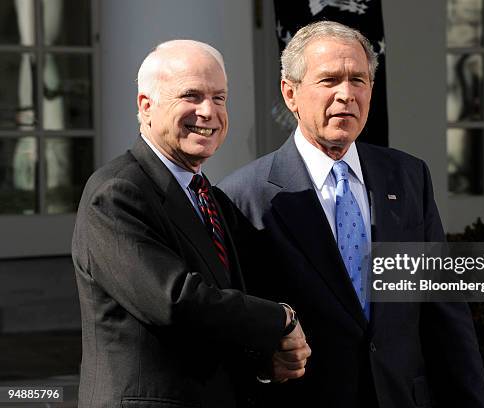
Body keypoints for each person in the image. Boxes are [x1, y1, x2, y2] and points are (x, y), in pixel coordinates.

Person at [219, 22, 484, 408]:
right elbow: (234, 324)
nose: (346, 94)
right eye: (329, 80)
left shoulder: (409, 176)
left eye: (358, 80)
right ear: (290, 93)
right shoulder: (244, 197)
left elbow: (445, 314)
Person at [72, 40, 310, 408]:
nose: (208, 112)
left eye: (219, 98)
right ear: (146, 106)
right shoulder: (117, 193)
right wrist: (280, 318)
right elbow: (177, 302)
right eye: (191, 95)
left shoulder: (206, 196)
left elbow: (226, 302)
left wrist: (268, 360)